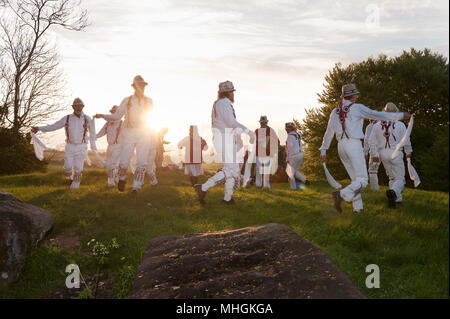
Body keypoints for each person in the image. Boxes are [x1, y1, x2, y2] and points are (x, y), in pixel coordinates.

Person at [319, 83, 411, 213]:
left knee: (355, 180)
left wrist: (324, 149)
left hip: (341, 146)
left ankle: (358, 209)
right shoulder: (357, 108)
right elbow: (377, 115)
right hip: (353, 144)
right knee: (362, 180)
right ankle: (341, 195)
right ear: (353, 96)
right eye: (356, 94)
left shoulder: (335, 111)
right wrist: (400, 115)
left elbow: (329, 132)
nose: (357, 97)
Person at [193, 80, 255, 205]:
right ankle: (203, 188)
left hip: (223, 138)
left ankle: (227, 198)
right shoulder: (224, 103)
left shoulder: (219, 103)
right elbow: (231, 123)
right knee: (232, 170)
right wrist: (249, 132)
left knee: (233, 169)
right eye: (232, 92)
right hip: (224, 139)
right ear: (228, 93)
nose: (233, 95)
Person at [95, 75, 153, 193]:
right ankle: (122, 178)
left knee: (141, 163)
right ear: (134, 87)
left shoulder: (149, 101)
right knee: (124, 162)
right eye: (139, 85)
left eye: (143, 86)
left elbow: (148, 117)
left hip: (144, 133)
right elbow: (117, 116)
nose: (141, 88)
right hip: (129, 133)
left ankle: (136, 187)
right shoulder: (127, 100)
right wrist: (103, 116)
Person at [31, 98, 96, 189]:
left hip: (82, 146)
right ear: (73, 107)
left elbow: (93, 132)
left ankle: (74, 188)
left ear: (83, 107)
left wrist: (93, 145)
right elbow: (54, 126)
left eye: (80, 106)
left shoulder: (87, 118)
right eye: (77, 106)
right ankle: (70, 177)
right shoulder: (67, 118)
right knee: (68, 167)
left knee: (78, 168)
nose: (79, 108)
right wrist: (39, 128)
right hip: (70, 146)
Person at [368, 102, 412, 208]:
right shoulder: (400, 125)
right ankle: (393, 192)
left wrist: (374, 154)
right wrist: (408, 152)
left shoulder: (377, 125)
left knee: (392, 178)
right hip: (396, 153)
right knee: (400, 179)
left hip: (383, 153)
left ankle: (396, 199)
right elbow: (406, 140)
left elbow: (371, 141)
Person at [95, 105, 123, 187]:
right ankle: (116, 177)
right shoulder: (108, 123)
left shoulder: (122, 123)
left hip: (118, 146)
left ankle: (111, 183)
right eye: (112, 112)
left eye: (115, 112)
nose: (113, 114)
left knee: (112, 165)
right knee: (110, 165)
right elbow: (101, 133)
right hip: (110, 146)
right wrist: (93, 137)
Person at [251, 116, 279, 189]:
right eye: (261, 123)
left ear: (266, 122)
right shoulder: (257, 131)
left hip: (268, 154)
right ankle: (258, 185)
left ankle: (266, 186)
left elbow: (277, 141)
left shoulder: (271, 131)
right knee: (258, 170)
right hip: (259, 153)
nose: (262, 124)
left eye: (263, 123)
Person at [285, 122, 309, 189]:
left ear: (289, 129)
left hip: (293, 156)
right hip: (300, 155)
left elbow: (290, 149)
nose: (286, 130)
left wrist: (287, 158)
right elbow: (300, 132)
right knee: (294, 171)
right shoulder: (297, 134)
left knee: (290, 172)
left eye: (287, 128)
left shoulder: (290, 136)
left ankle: (293, 188)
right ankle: (305, 180)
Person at [363, 119, 380, 190]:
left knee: (373, 170)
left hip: (375, 150)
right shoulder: (384, 123)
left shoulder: (370, 126)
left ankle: (375, 190)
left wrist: (365, 152)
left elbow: (367, 140)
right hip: (388, 150)